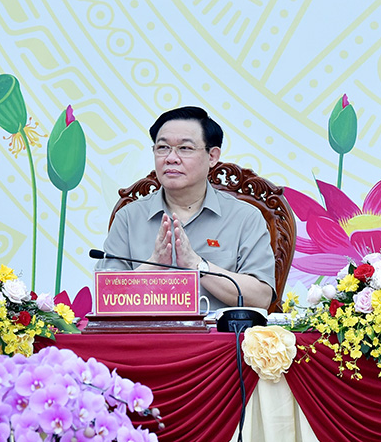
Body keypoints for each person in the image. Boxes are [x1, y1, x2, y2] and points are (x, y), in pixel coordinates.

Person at [98, 106, 276, 310]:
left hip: (217, 340)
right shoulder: (129, 218)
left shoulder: (245, 218)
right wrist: (153, 266)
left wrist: (196, 265)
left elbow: (261, 298)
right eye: (163, 147)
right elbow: (105, 297)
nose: (171, 158)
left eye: (185, 148)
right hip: (145, 337)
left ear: (212, 156)